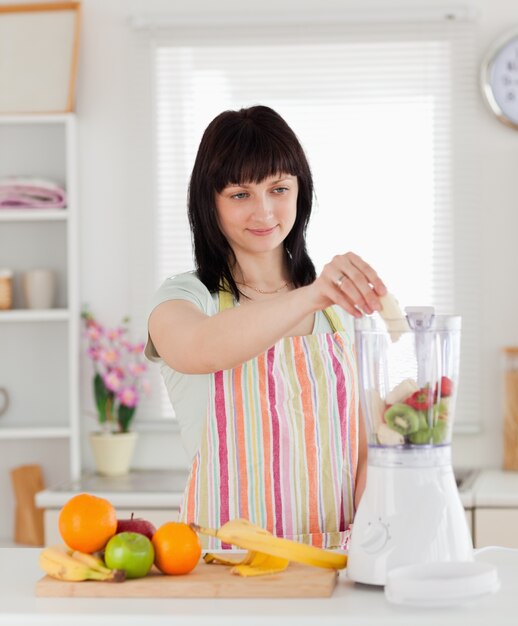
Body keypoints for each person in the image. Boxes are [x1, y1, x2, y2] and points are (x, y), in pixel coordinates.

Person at [145, 105, 387, 549]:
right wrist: (312, 294)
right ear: (209, 201)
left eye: (278, 188)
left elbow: (366, 450)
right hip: (223, 565)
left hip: (335, 561)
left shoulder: (338, 314)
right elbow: (201, 348)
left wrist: (370, 544)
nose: (264, 211)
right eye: (240, 194)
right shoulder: (184, 298)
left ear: (301, 192)